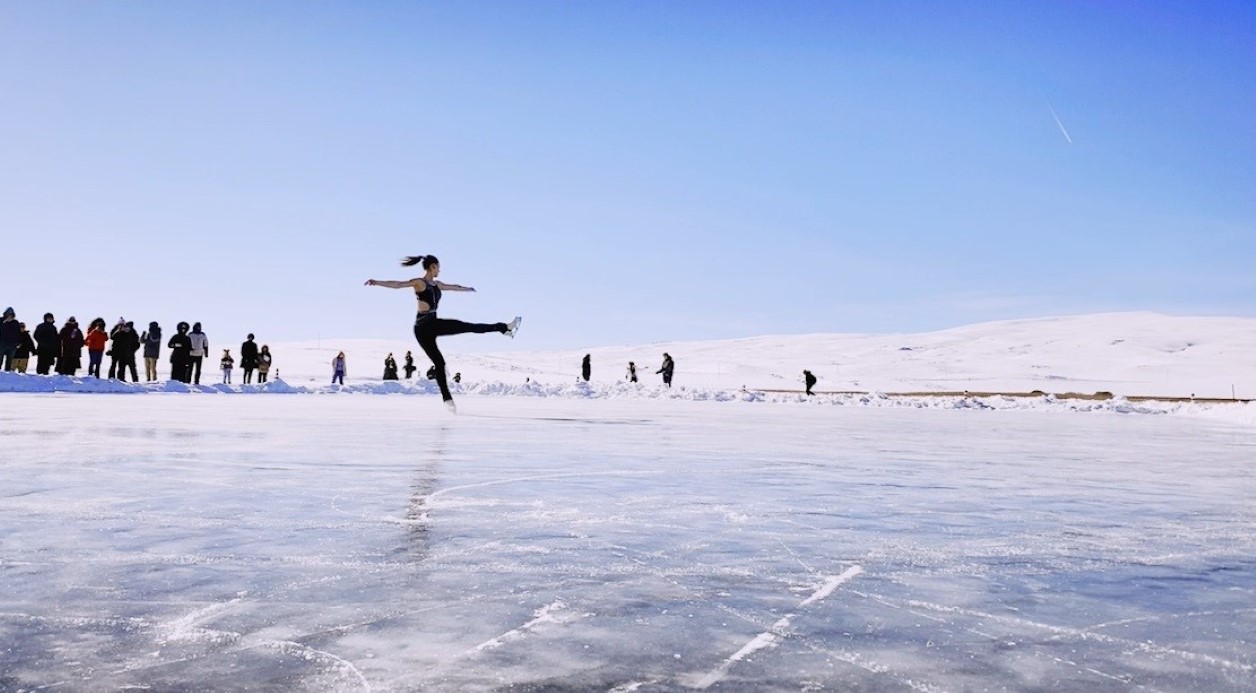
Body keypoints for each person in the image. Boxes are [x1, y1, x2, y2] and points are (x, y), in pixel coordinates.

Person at [365, 254, 521, 413]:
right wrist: (377, 282)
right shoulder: (420, 283)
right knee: (439, 363)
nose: (440, 269)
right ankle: (447, 399)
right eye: (438, 266)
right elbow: (398, 284)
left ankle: (505, 328)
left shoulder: (437, 284)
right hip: (422, 329)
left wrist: (466, 288)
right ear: (432, 266)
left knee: (468, 326)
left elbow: (452, 286)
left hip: (434, 323)